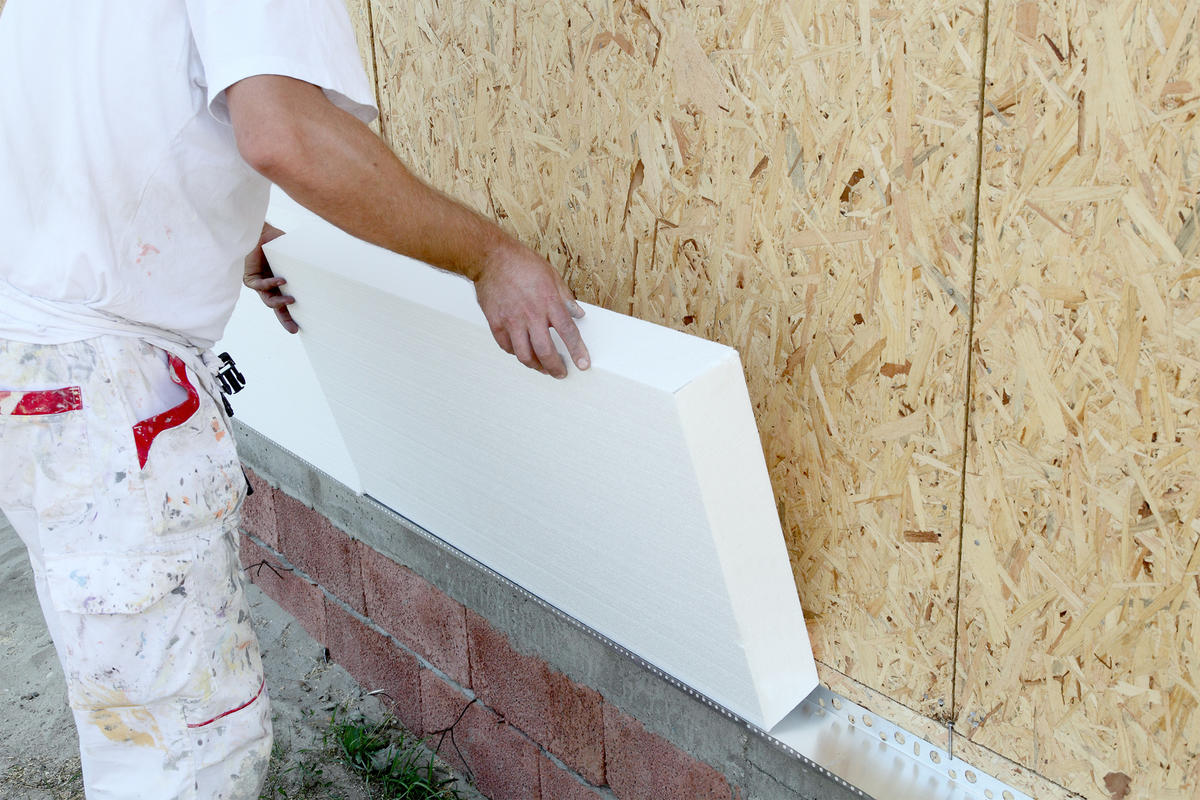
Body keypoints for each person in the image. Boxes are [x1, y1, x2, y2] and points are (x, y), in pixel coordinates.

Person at [0, 1, 589, 797]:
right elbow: (283, 131)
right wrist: (489, 256)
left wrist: (243, 242)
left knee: (136, 714)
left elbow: (108, 124)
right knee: (188, 755)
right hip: (104, 384)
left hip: (38, 372)